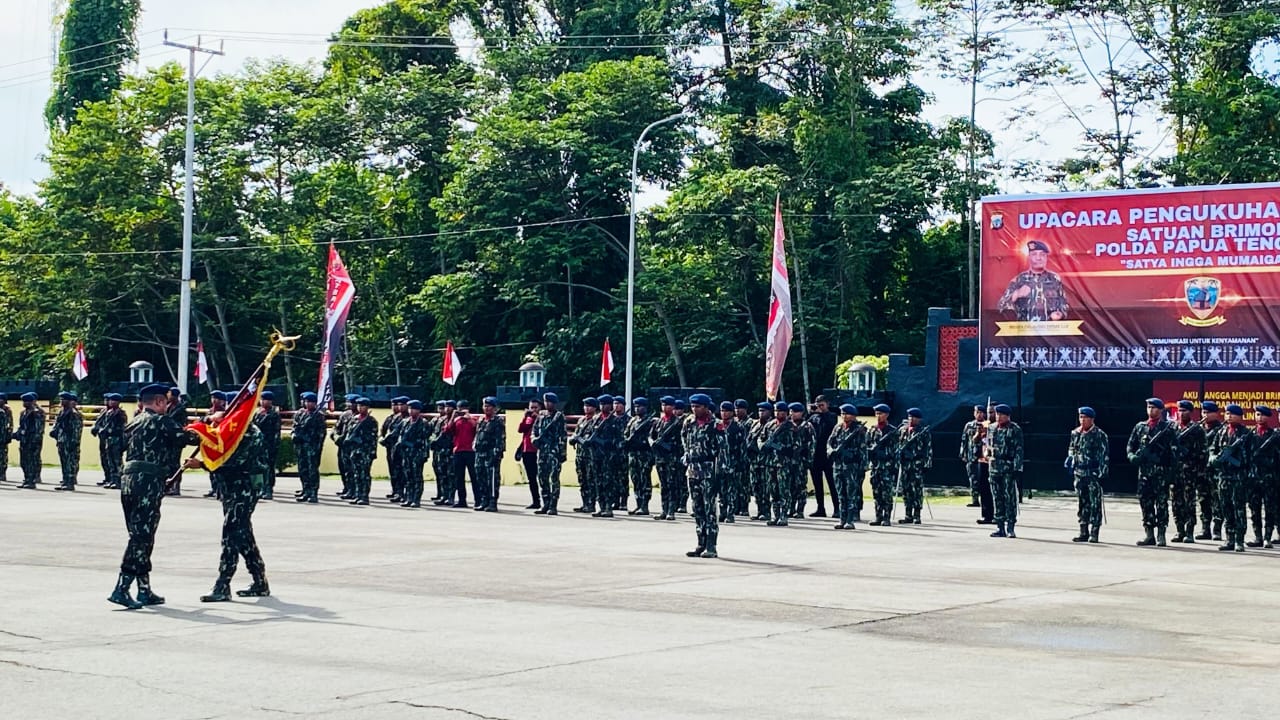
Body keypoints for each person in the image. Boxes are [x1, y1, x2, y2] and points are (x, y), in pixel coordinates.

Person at [108, 384, 198, 609]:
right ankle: (121, 587)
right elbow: (188, 438)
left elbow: (119, 446)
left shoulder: (134, 421)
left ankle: (144, 589)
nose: (167, 406)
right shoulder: (160, 421)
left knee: (142, 534)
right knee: (140, 536)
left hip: (129, 481)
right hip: (147, 481)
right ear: (159, 401)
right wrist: (212, 425)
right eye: (166, 402)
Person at [189, 413, 271, 602]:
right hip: (230, 489)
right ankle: (260, 581)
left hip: (245, 489)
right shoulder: (231, 432)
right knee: (243, 535)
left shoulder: (249, 434)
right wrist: (205, 423)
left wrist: (201, 464)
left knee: (231, 533)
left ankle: (222, 584)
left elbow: (234, 462)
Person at [1126, 398, 1176, 547]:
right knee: (1145, 502)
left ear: (1161, 410)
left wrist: (1168, 468)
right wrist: (1132, 456)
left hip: (1160, 472)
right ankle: (1149, 534)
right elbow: (1130, 445)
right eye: (1148, 407)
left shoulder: (1167, 429)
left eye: (1154, 408)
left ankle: (1161, 534)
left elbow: (1175, 451)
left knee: (1161, 504)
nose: (1151, 410)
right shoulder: (1140, 427)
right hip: (1145, 472)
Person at [682, 394, 725, 558]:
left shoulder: (716, 425)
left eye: (698, 406)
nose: (694, 409)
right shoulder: (689, 422)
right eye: (692, 406)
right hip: (693, 470)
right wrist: (687, 454)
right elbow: (684, 439)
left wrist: (720, 473)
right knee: (697, 508)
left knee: (710, 510)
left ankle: (711, 546)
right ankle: (700, 543)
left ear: (707, 407)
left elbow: (723, 451)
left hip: (708, 470)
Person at [1209, 404, 1254, 552]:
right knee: (1226, 508)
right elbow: (1212, 449)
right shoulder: (1221, 432)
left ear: (1240, 417)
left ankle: (1239, 540)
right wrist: (1214, 458)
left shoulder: (1245, 434)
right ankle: (1230, 539)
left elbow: (1251, 457)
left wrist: (1236, 458)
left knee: (1238, 509)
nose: (1229, 416)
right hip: (1223, 477)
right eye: (1227, 413)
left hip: (1238, 477)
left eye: (1232, 414)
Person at [996, 240, 1069, 321]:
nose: (1039, 258)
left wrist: (1060, 314)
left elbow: (1064, 305)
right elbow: (1001, 307)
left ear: (1046, 258)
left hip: (1049, 329)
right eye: (1034, 254)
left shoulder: (1054, 279)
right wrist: (1016, 294)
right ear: (1029, 257)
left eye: (1042, 254)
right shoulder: (1019, 280)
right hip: (1024, 330)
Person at [1066, 406, 1108, 543]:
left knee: (1095, 503)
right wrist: (1071, 458)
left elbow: (1104, 455)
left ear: (1091, 419)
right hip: (1079, 472)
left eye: (1085, 417)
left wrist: (1102, 473)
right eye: (1080, 417)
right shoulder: (1075, 433)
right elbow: (1072, 448)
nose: (1082, 420)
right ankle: (1083, 530)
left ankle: (1094, 532)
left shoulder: (1099, 434)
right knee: (1082, 502)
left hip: (1093, 473)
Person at [828, 404, 868, 530]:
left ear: (854, 415)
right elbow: (830, 442)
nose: (843, 416)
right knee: (841, 493)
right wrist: (831, 451)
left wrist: (861, 465)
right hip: (838, 465)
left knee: (851, 494)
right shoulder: (838, 428)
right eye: (842, 413)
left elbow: (863, 450)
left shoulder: (860, 430)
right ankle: (842, 519)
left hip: (852, 467)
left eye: (846, 413)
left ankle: (850, 519)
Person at [1171, 400, 1206, 543]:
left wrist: (1188, 454)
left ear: (1190, 412)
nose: (1181, 413)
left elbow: (1203, 452)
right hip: (1175, 471)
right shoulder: (1172, 428)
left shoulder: (1197, 430)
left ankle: (1189, 531)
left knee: (1189, 502)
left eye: (1184, 411)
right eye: (1179, 410)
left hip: (1190, 471)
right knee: (1175, 501)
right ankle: (1179, 530)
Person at [988, 404, 1024, 538]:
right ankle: (1000, 526)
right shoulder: (991, 428)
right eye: (997, 414)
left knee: (1009, 497)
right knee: (996, 497)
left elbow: (1019, 450)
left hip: (1008, 466)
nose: (998, 417)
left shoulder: (1015, 429)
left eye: (1001, 414)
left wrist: (1017, 468)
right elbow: (988, 444)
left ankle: (1010, 526)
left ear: (1007, 416)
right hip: (994, 466)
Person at [1247, 405, 1279, 548]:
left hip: (1269, 477)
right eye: (1257, 414)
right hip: (1253, 478)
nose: (1259, 417)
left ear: (1268, 417)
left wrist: (1267, 461)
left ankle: (1267, 537)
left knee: (1270, 508)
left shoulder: (1274, 436)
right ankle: (1258, 537)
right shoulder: (1250, 434)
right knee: (1254, 508)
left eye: (1262, 415)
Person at [761, 401, 796, 526]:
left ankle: (784, 515)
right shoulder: (769, 425)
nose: (777, 413)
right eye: (776, 411)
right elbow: (761, 438)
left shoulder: (790, 427)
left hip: (783, 463)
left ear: (785, 413)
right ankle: (775, 515)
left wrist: (776, 446)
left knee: (784, 490)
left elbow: (794, 446)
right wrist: (763, 446)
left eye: (780, 411)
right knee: (773, 490)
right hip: (770, 462)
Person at [531, 392, 566, 514]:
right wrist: (534, 439)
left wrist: (562, 453)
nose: (547, 404)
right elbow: (534, 431)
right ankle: (545, 503)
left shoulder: (559, 417)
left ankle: (553, 505)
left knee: (554, 478)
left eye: (549, 402)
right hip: (542, 452)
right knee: (542, 478)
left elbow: (563, 436)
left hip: (554, 451)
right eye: (546, 402)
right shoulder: (541, 416)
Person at [650, 396, 683, 521]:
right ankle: (664, 509)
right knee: (663, 484)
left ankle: (671, 510)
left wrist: (669, 446)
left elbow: (681, 442)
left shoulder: (678, 423)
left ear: (673, 407)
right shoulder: (658, 422)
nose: (665, 407)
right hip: (660, 458)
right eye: (663, 405)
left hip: (671, 458)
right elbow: (651, 436)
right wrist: (654, 443)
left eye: (667, 405)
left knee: (672, 484)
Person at [896, 408, 932, 524]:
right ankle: (908, 514)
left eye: (914, 417)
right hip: (905, 464)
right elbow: (898, 446)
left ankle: (917, 515)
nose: (911, 419)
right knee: (906, 489)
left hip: (917, 464)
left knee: (917, 490)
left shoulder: (923, 431)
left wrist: (926, 464)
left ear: (919, 419)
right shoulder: (902, 430)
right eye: (910, 417)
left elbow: (928, 449)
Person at [865, 404, 898, 527]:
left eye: (881, 413)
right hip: (875, 466)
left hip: (887, 467)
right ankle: (878, 516)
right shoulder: (872, 430)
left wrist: (885, 453)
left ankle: (887, 517)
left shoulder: (892, 431)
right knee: (876, 492)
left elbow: (896, 450)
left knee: (886, 493)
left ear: (887, 415)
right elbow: (866, 446)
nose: (878, 416)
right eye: (877, 413)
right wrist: (871, 451)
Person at [1197, 401, 1225, 541]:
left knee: (1216, 500)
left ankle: (1217, 529)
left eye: (1208, 412)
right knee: (1203, 500)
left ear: (1216, 413)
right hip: (1200, 470)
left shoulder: (1221, 429)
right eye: (1203, 412)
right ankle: (1205, 528)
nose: (1205, 415)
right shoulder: (1197, 429)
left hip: (1215, 471)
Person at [291, 391, 326, 504]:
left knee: (312, 470)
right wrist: (294, 436)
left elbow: (321, 434)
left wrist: (314, 445)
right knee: (303, 469)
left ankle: (313, 492)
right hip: (301, 446)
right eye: (306, 402)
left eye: (310, 402)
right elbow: (295, 426)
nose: (308, 404)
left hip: (312, 447)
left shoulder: (318, 416)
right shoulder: (300, 414)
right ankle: (305, 490)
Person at [592, 394, 623, 517]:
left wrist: (604, 442)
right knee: (598, 481)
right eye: (600, 404)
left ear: (610, 405)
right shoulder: (596, 419)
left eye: (605, 404)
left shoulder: (615, 420)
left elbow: (619, 439)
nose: (602, 406)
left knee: (608, 482)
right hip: (596, 455)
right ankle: (601, 506)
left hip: (608, 456)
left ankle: (608, 507)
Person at [343, 398, 378, 506]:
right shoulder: (354, 419)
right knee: (356, 474)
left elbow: (373, 438)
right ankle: (357, 494)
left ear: (367, 407)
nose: (359, 408)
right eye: (358, 406)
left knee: (364, 474)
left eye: (362, 406)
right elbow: (348, 432)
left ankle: (364, 496)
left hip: (365, 451)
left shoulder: (371, 421)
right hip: (354, 451)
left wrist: (362, 441)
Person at [807, 396, 838, 518]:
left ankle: (837, 508)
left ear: (827, 404)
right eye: (817, 405)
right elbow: (806, 427)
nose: (819, 408)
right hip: (815, 455)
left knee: (832, 482)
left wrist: (821, 414)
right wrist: (811, 413)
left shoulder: (832, 416)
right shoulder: (813, 417)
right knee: (817, 483)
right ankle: (820, 508)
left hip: (827, 455)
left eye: (822, 405)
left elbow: (830, 424)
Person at [623, 397, 655, 515]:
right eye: (635, 406)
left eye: (639, 406)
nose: (637, 409)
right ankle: (638, 503)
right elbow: (625, 434)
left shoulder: (650, 422)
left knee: (644, 479)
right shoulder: (632, 421)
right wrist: (627, 441)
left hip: (644, 454)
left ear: (645, 407)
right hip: (633, 454)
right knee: (635, 479)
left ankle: (645, 505)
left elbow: (652, 438)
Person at [716, 401, 747, 523]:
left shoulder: (738, 427)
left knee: (732, 490)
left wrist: (741, 463)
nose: (724, 413)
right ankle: (722, 512)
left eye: (726, 411)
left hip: (733, 463)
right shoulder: (717, 426)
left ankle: (730, 513)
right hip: (720, 463)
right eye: (722, 411)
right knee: (721, 490)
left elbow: (742, 447)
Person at [474, 396, 505, 512]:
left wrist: (496, 453)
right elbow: (477, 435)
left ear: (495, 408)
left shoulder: (497, 421)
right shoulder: (481, 420)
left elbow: (500, 439)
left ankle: (492, 502)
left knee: (491, 479)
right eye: (485, 406)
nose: (486, 408)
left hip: (490, 453)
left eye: (489, 406)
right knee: (480, 477)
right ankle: (484, 500)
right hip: (480, 453)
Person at [569, 397, 600, 513]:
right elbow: (575, 434)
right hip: (580, 455)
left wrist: (578, 438)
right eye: (585, 406)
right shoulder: (581, 420)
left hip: (590, 455)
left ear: (594, 407)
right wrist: (573, 439)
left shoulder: (596, 421)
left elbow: (589, 439)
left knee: (590, 480)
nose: (586, 408)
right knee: (582, 480)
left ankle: (591, 504)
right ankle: (585, 503)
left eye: (589, 406)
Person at [398, 400, 431, 508]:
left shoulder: (423, 423)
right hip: (406, 454)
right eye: (409, 408)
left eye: (413, 409)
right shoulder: (405, 422)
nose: (411, 411)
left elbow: (425, 439)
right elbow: (401, 434)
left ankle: (416, 499)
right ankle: (409, 497)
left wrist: (412, 444)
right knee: (408, 476)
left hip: (417, 453)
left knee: (417, 477)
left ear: (418, 410)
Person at [92, 393, 127, 489]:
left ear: (118, 402)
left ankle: (119, 481)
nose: (111, 402)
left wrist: (108, 430)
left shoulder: (120, 413)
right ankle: (112, 480)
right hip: (109, 440)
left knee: (117, 461)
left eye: (113, 400)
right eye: (110, 400)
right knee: (110, 461)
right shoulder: (109, 412)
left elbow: (122, 428)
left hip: (116, 440)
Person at [51, 391, 83, 491]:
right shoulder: (62, 412)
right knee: (64, 462)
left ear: (69, 401)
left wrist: (74, 442)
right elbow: (57, 425)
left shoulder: (73, 414)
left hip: (69, 442)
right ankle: (65, 481)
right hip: (61, 441)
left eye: (63, 399)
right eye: (60, 399)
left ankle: (70, 483)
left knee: (69, 462)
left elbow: (76, 429)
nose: (61, 401)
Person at [746, 402, 774, 520]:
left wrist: (765, 446)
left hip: (766, 461)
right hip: (754, 461)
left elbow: (774, 443)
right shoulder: (755, 424)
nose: (761, 413)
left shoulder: (773, 425)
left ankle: (766, 511)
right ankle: (760, 510)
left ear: (770, 412)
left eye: (764, 411)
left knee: (765, 488)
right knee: (756, 487)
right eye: (760, 411)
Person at [253, 390, 282, 500]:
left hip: (269, 445)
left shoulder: (274, 414)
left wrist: (274, 446)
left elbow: (276, 431)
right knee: (258, 467)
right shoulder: (257, 413)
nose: (263, 402)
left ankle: (268, 488)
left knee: (268, 468)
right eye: (262, 399)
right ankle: (260, 488)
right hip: (258, 445)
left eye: (266, 400)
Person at [787, 403, 814, 518]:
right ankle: (790, 508)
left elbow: (812, 445)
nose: (792, 414)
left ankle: (800, 510)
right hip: (788, 461)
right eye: (791, 411)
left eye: (795, 411)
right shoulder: (787, 425)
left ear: (801, 413)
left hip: (801, 461)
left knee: (800, 486)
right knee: (789, 485)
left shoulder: (807, 426)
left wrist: (808, 459)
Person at [379, 397, 408, 503]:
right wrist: (382, 439)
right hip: (391, 448)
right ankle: (396, 491)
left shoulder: (406, 419)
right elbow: (383, 430)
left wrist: (386, 439)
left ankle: (403, 493)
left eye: (399, 405)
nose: (396, 407)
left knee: (402, 472)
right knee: (394, 471)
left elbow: (396, 433)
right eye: (395, 405)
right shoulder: (392, 418)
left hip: (402, 449)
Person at [14, 392, 45, 488]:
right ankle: (26, 479)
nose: (24, 403)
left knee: (31, 461)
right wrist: (17, 434)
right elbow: (22, 426)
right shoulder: (23, 413)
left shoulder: (36, 413)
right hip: (24, 441)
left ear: (32, 402)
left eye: (26, 401)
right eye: (23, 401)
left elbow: (38, 428)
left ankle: (31, 481)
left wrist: (34, 440)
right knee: (24, 461)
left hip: (32, 441)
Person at [429, 400, 457, 505]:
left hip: (450, 451)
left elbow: (447, 432)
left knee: (450, 475)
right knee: (442, 474)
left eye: (449, 407)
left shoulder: (454, 420)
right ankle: (443, 495)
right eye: (445, 407)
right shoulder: (440, 420)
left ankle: (450, 497)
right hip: (440, 451)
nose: (446, 409)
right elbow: (433, 433)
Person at [960, 405, 986, 510]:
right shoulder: (969, 425)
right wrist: (963, 454)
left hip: (982, 456)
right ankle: (975, 499)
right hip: (971, 456)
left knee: (983, 480)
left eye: (981, 412)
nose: (979, 414)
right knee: (973, 478)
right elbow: (964, 440)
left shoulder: (987, 424)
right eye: (977, 412)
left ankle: (985, 500)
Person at [517, 398, 542, 509]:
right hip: (527, 450)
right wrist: (525, 417)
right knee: (531, 478)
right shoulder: (528, 418)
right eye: (531, 407)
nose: (533, 410)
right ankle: (535, 501)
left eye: (535, 407)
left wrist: (536, 417)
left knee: (541, 477)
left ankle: (547, 501)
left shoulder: (543, 418)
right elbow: (520, 429)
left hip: (539, 450)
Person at [332, 394, 358, 500]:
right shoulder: (345, 415)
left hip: (353, 448)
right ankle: (347, 488)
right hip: (343, 446)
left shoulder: (359, 417)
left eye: (350, 403)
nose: (348, 405)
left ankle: (354, 490)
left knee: (353, 470)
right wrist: (336, 437)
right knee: (343, 468)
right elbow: (336, 428)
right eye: (347, 402)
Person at [164, 388, 190, 495]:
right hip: (168, 439)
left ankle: (176, 486)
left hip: (176, 440)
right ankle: (169, 485)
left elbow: (182, 425)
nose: (168, 397)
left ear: (174, 396)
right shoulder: (168, 407)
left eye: (170, 395)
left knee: (175, 464)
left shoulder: (180, 409)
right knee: (168, 463)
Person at [0, 392, 11, 482]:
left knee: (3, 456)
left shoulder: (7, 410)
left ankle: (2, 474)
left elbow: (9, 424)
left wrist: (7, 436)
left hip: (3, 437)